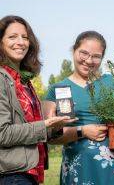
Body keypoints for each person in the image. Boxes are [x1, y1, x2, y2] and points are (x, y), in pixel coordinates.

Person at [44, 31, 114, 185]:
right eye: (84, 53)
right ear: (74, 51)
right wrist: (83, 131)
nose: (89, 60)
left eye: (96, 56)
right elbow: (49, 135)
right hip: (81, 169)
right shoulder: (58, 89)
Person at [0, 15, 77, 185]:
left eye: (25, 37)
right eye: (12, 37)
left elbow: (34, 131)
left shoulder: (24, 82)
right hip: (11, 175)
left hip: (30, 172)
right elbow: (2, 134)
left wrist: (56, 125)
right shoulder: (1, 79)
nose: (20, 42)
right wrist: (45, 125)